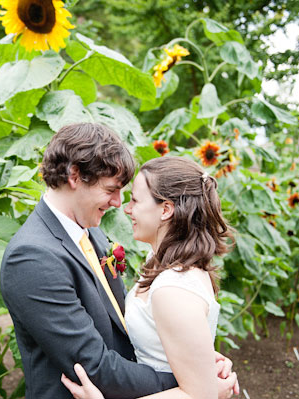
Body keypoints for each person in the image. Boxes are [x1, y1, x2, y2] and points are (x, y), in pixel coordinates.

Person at [0, 123, 237, 399]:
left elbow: (123, 326)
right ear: (75, 176)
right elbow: (95, 367)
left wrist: (193, 354)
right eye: (111, 189)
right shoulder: (32, 257)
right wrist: (192, 379)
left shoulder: (93, 234)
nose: (118, 203)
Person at [61, 156, 238, 399]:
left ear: (165, 210)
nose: (127, 208)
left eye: (135, 200)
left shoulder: (174, 289)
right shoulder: (160, 262)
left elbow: (200, 394)